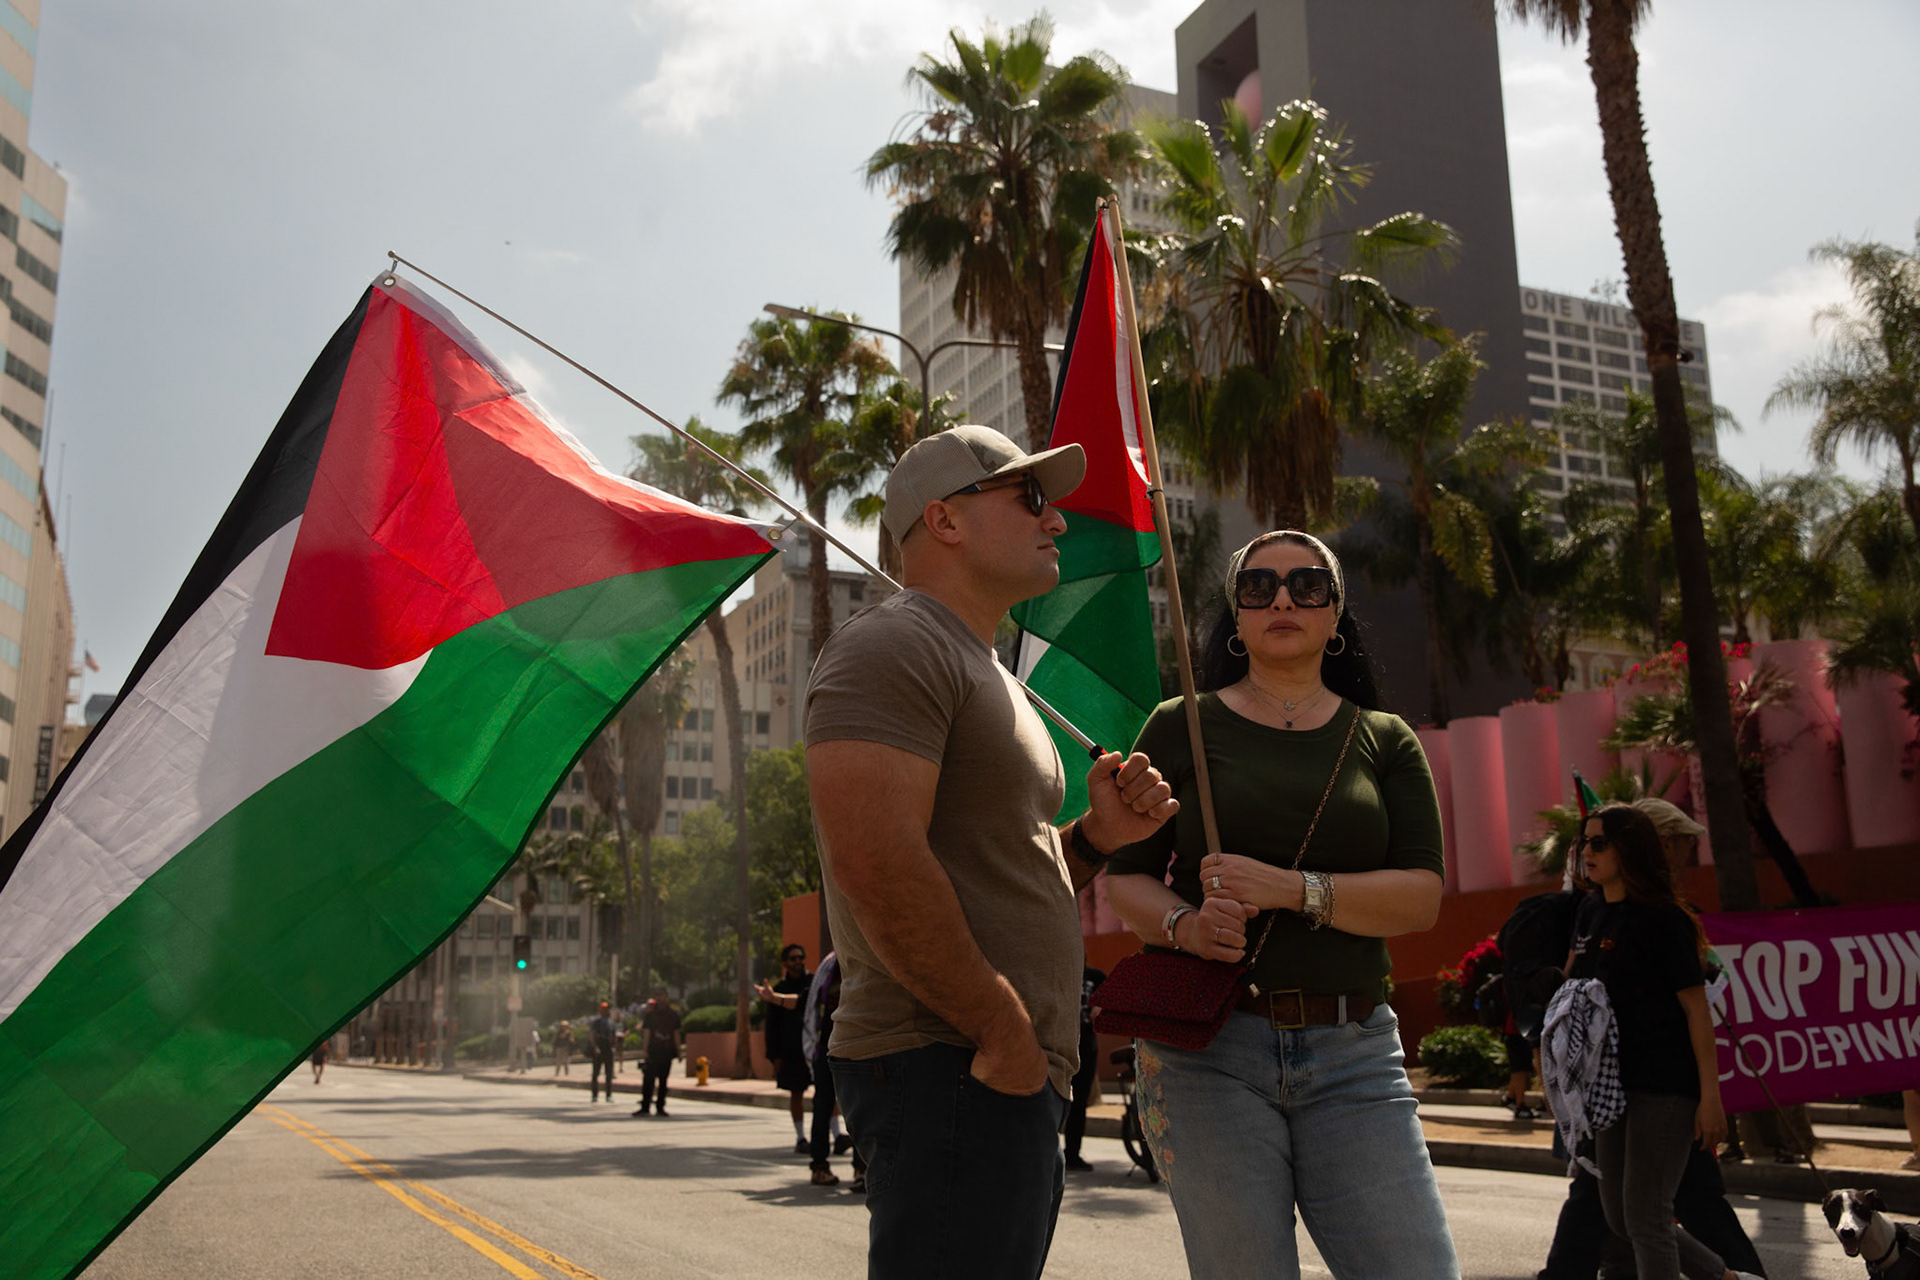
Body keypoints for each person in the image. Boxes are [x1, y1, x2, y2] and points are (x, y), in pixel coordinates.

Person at [806, 424, 1178, 1279]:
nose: (1056, 523)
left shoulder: (993, 674)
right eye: (1030, 499)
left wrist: (1093, 838)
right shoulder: (893, 646)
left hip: (995, 1073)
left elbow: (1006, 864)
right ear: (944, 521)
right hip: (947, 1062)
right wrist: (1000, 1029)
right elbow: (878, 863)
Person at [1104, 530, 1457, 1280]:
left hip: (1355, 1051)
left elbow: (1421, 897)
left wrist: (1294, 890)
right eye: (1259, 589)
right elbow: (1126, 876)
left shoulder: (1386, 740)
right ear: (1237, 620)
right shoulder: (1181, 725)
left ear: (1335, 617)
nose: (1284, 600)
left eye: (1307, 585)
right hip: (1209, 1054)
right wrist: (1187, 926)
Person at [1567, 803, 1758, 1280]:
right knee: (1619, 1216)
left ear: (1628, 849)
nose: (1587, 852)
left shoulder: (1664, 919)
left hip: (1665, 1088)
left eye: (1599, 843)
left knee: (1648, 1218)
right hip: (1609, 1089)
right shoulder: (1589, 912)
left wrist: (1710, 1099)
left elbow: (1697, 1010)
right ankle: (1724, 1277)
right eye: (1583, 842)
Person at [763, 944, 814, 1152]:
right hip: (791, 1050)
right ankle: (801, 1138)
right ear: (785, 963)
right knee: (796, 1093)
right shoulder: (779, 990)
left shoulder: (814, 983)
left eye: (801, 957)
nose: (798, 962)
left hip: (817, 1048)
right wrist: (774, 1056)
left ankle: (837, 1135)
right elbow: (771, 1027)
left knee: (828, 1093)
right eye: (793, 959)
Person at [1064, 960, 1107, 1172]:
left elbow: (1111, 998)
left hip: (1085, 1046)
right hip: (1057, 1043)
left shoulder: (1095, 976)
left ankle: (1072, 1154)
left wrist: (1101, 1006)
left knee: (1078, 1102)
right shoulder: (1059, 971)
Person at [635, 989, 681, 1116]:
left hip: (667, 1052)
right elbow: (647, 1033)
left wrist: (679, 1051)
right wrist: (645, 1050)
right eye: (658, 996)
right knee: (648, 1080)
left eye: (662, 996)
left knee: (663, 1081)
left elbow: (676, 1034)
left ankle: (660, 1107)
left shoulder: (673, 1015)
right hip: (653, 1052)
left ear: (666, 997)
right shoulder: (650, 1015)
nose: (660, 998)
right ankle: (645, 1106)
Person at [587, 1001, 618, 1102]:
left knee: (609, 1074)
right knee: (596, 1073)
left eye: (607, 1008)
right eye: (603, 1008)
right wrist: (595, 1047)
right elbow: (592, 1034)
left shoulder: (611, 1022)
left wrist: (614, 1047)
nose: (606, 1010)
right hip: (599, 1048)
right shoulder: (596, 1022)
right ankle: (594, 1095)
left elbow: (614, 1036)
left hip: (608, 1049)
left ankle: (608, 1095)